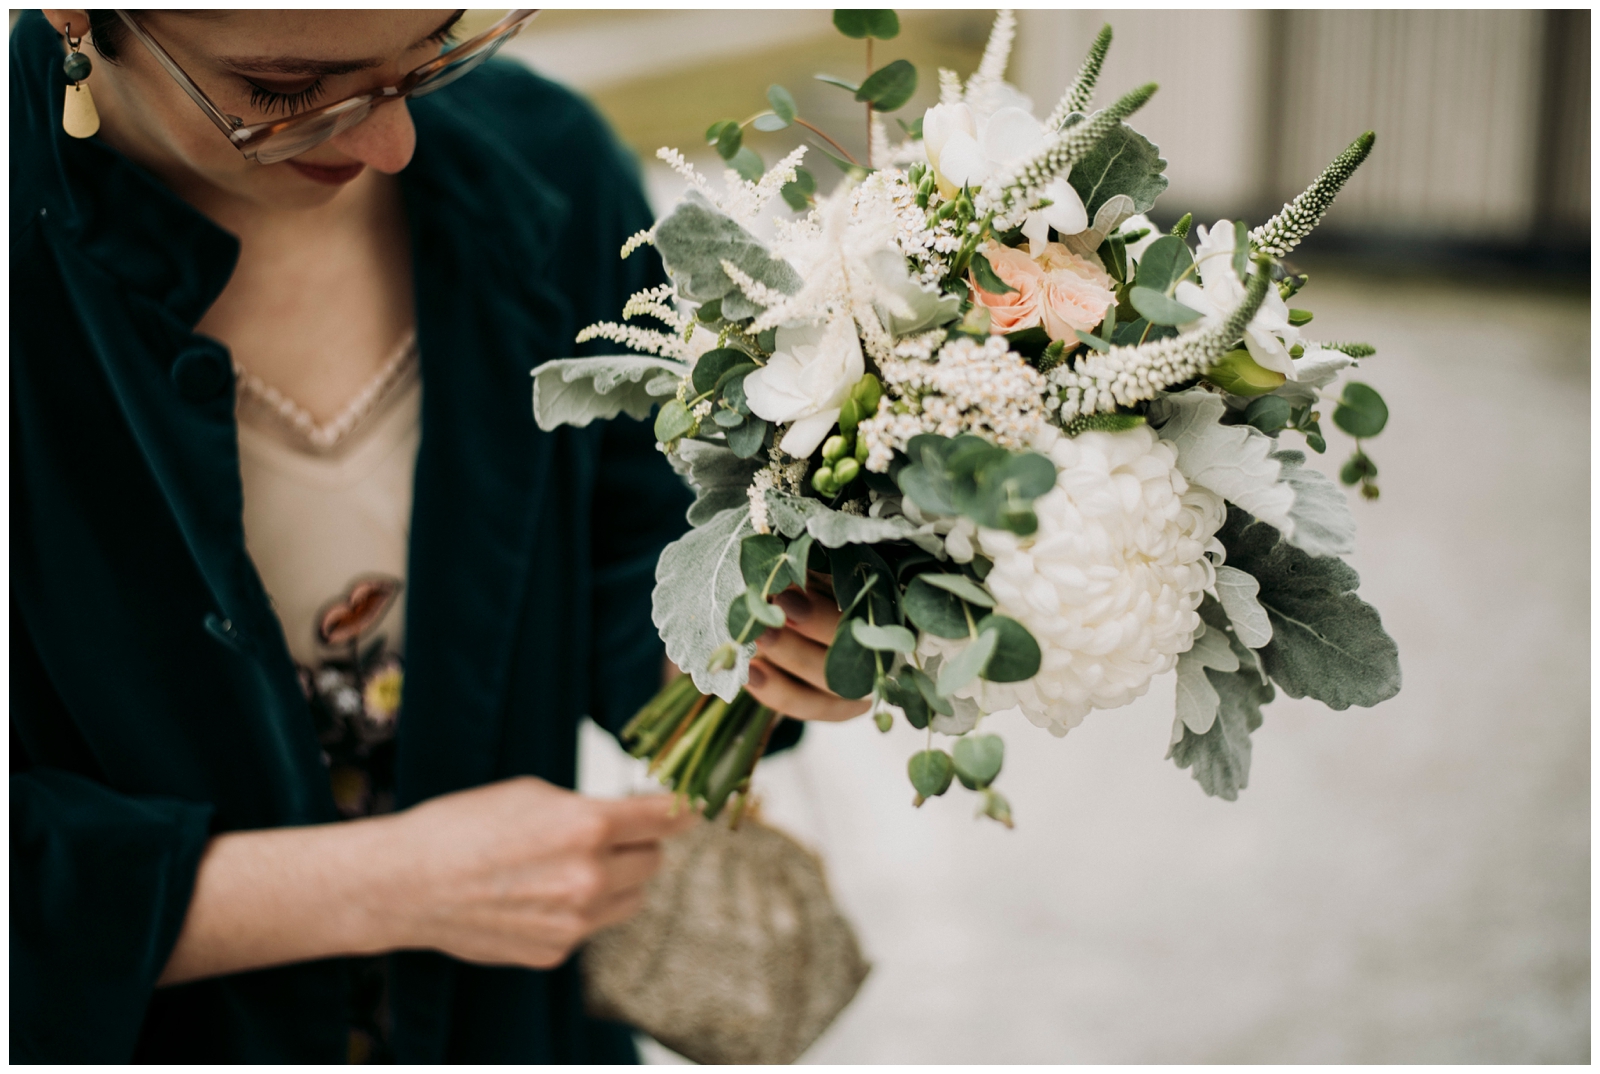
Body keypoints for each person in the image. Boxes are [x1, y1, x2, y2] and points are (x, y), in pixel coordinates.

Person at [11, 9, 867, 1064]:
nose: (390, 145)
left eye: (436, 50)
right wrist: (384, 889)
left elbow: (631, 568)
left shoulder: (547, 166)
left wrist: (781, 628)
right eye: (287, 93)